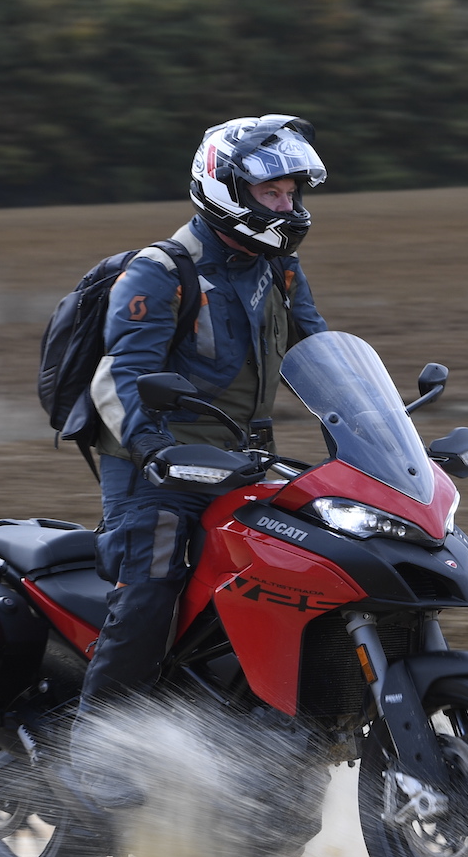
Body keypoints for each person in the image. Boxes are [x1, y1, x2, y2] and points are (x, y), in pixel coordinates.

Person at [76, 114, 331, 722]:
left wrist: (374, 429)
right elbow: (120, 375)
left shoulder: (280, 271)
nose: (287, 205)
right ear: (227, 189)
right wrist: (156, 451)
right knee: (155, 580)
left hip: (242, 463)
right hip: (157, 468)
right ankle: (91, 753)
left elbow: (321, 358)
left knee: (306, 565)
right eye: (272, 192)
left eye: (292, 193)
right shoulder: (162, 272)